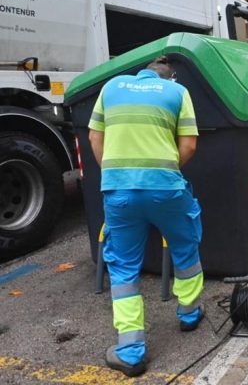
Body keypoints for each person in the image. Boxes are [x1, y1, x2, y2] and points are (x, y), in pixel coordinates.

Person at [88, 56, 204, 377]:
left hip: (118, 191)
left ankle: (130, 349)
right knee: (185, 245)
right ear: (171, 78)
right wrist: (163, 172)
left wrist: (115, 175)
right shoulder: (177, 93)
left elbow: (95, 138)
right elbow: (190, 145)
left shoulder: (110, 87)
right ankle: (189, 314)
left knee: (123, 266)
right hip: (165, 188)